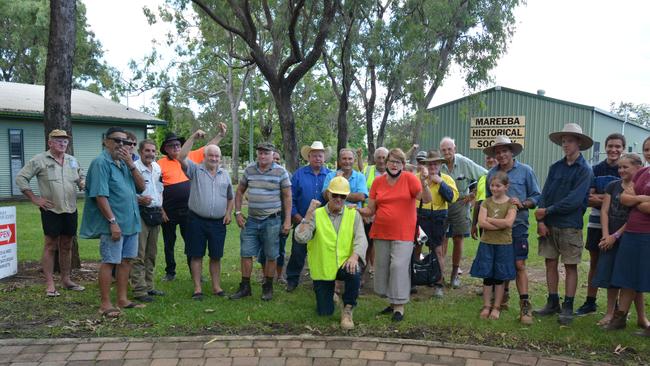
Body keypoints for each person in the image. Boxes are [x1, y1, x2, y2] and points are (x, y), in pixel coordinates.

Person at [358, 148, 431, 322]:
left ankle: (399, 307)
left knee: (398, 266)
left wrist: (425, 182)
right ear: (386, 162)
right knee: (383, 268)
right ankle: (391, 303)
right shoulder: (377, 182)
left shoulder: (410, 179)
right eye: (391, 161)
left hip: (404, 232)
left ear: (403, 165)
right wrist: (356, 210)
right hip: (381, 231)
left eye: (398, 162)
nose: (394, 164)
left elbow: (426, 200)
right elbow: (371, 209)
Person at [80, 127, 146, 318]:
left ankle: (122, 300)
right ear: (105, 141)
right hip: (114, 224)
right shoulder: (101, 163)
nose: (121, 145)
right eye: (116, 140)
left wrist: (131, 164)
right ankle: (105, 304)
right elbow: (100, 196)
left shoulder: (125, 163)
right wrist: (112, 221)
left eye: (125, 142)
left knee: (126, 262)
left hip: (131, 222)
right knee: (110, 261)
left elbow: (141, 187)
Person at [534, 123, 593, 325]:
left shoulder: (585, 170)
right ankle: (552, 302)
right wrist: (541, 219)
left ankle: (567, 305)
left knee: (570, 266)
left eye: (569, 141)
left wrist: (547, 211)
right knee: (550, 262)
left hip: (570, 225)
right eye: (563, 141)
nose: (565, 144)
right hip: (549, 225)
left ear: (579, 143)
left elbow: (575, 200)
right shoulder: (555, 167)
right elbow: (545, 194)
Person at [16, 129, 86, 297]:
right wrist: (35, 199)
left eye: (65, 141)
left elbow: (80, 177)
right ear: (50, 143)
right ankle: (49, 284)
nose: (63, 143)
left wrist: (82, 182)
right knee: (50, 245)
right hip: (51, 209)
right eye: (58, 140)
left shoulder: (72, 160)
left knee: (67, 244)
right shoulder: (39, 160)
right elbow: (21, 178)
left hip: (70, 208)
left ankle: (66, 279)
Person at [294, 177, 368, 329]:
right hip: (323, 268)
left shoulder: (353, 214)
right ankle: (332, 296)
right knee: (325, 313)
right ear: (328, 194)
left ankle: (348, 309)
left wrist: (354, 257)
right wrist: (308, 213)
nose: (339, 199)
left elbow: (361, 239)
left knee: (355, 272)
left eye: (343, 196)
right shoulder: (316, 214)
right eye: (335, 195)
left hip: (344, 264)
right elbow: (301, 238)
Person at [157, 123, 227, 281]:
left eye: (177, 144)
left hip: (189, 209)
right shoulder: (160, 164)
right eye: (171, 145)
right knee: (169, 242)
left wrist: (220, 135)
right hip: (168, 210)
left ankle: (194, 273)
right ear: (165, 149)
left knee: (191, 242)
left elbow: (210, 148)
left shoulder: (191, 157)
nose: (175, 147)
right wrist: (161, 210)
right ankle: (170, 272)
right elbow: (156, 188)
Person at [483, 136, 541, 325]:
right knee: (500, 264)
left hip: (518, 226)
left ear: (512, 152)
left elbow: (536, 196)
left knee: (519, 265)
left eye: (505, 151)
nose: (501, 155)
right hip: (495, 231)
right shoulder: (491, 173)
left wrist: (523, 203)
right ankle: (501, 299)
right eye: (497, 152)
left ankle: (525, 305)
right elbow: (488, 200)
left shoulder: (525, 171)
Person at [593, 154, 649, 329]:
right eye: (620, 167)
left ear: (637, 167)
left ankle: (641, 317)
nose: (621, 170)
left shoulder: (639, 180)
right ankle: (615, 315)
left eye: (626, 167)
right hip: (622, 233)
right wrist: (641, 199)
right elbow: (617, 203)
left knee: (637, 278)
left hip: (634, 234)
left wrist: (635, 200)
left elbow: (633, 208)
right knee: (621, 276)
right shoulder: (621, 183)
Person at [232, 142, 292, 301]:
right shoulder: (249, 170)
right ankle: (245, 287)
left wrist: (287, 221)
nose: (263, 156)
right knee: (246, 253)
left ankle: (268, 287)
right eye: (260, 153)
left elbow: (287, 197)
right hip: (251, 220)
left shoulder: (281, 172)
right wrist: (238, 212)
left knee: (271, 255)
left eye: (266, 153)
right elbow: (239, 191)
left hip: (272, 220)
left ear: (273, 154)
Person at [178, 132, 233, 300]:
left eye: (217, 156)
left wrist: (229, 213)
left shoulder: (225, 174)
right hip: (196, 220)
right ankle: (197, 288)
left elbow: (230, 197)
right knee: (196, 255)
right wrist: (193, 138)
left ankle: (216, 287)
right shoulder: (195, 170)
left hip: (218, 223)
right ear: (204, 156)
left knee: (216, 256)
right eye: (211, 155)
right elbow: (181, 157)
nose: (214, 158)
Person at [577, 133, 625, 316]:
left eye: (618, 146)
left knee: (619, 263)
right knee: (595, 263)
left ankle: (618, 306)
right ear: (605, 147)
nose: (613, 150)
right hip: (597, 223)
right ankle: (590, 301)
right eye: (610, 146)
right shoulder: (595, 169)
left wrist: (602, 197)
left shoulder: (626, 169)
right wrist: (611, 198)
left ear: (622, 148)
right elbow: (587, 199)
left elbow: (627, 200)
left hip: (619, 225)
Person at [439, 137, 488, 288]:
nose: (447, 152)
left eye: (449, 149)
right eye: (444, 150)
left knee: (458, 238)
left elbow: (484, 175)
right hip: (442, 203)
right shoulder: (438, 164)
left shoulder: (464, 162)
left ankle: (454, 275)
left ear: (455, 149)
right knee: (440, 239)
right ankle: (439, 276)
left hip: (460, 202)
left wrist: (473, 194)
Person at [285, 141, 331, 292]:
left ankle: (320, 281)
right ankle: (292, 280)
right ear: (309, 157)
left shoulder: (330, 175)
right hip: (301, 220)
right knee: (298, 252)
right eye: (314, 155)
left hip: (324, 223)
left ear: (324, 157)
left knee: (321, 253)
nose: (318, 158)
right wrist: (298, 218)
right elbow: (291, 198)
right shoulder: (299, 174)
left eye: (320, 155)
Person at [470, 171, 517, 320]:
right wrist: (500, 224)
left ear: (506, 187)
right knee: (488, 277)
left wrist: (490, 219)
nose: (494, 189)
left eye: (498, 186)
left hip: (503, 245)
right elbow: (481, 222)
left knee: (499, 277)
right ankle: (486, 306)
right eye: (492, 185)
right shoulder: (486, 202)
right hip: (487, 244)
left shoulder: (511, 204)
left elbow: (509, 223)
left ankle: (496, 307)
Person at [416, 150, 458, 298]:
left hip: (439, 217)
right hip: (420, 215)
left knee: (438, 251)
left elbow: (451, 198)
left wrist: (440, 182)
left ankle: (439, 282)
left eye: (435, 163)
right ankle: (414, 279)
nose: (433, 166)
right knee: (416, 248)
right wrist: (424, 180)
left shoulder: (447, 179)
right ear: (425, 164)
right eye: (430, 163)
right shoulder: (418, 178)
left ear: (440, 164)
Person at [130, 139, 165, 303]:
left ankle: (149, 287)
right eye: (147, 151)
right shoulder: (134, 168)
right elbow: (127, 191)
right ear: (140, 152)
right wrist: (138, 200)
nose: (150, 154)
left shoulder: (157, 168)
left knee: (151, 253)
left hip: (155, 213)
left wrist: (161, 208)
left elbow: (159, 189)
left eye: (153, 151)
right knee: (139, 253)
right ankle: (139, 290)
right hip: (140, 213)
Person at [257, 150, 290, 283]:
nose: (275, 161)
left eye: (277, 159)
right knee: (264, 247)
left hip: (281, 217)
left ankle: (280, 275)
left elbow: (290, 197)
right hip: (264, 217)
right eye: (273, 158)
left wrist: (288, 219)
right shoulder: (261, 175)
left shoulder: (286, 175)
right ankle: (265, 276)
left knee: (280, 247)